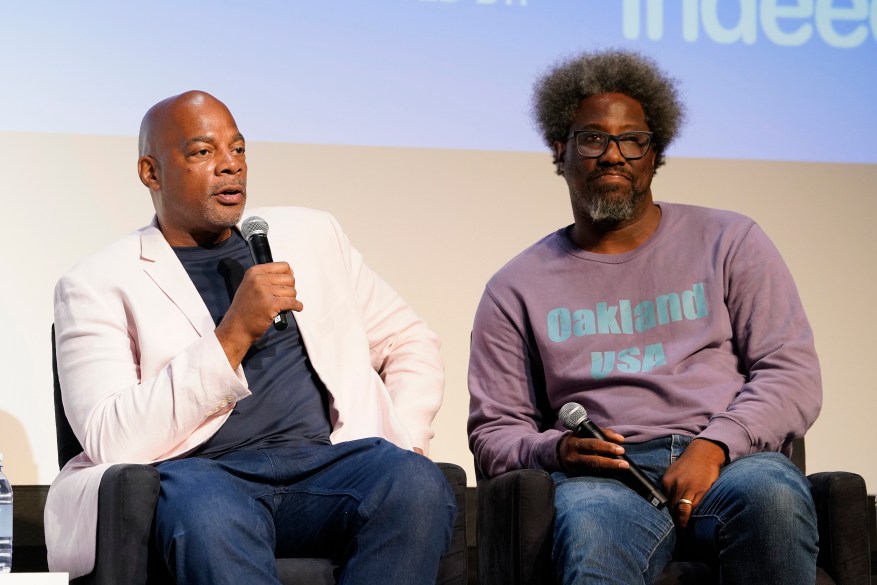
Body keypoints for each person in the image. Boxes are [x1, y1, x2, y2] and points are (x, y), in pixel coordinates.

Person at [47, 90, 456, 585]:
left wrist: (407, 439)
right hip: (205, 475)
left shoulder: (312, 235)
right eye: (203, 152)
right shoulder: (95, 282)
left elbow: (408, 341)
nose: (229, 167)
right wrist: (233, 334)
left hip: (327, 464)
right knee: (208, 513)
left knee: (414, 483)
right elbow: (110, 435)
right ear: (151, 173)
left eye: (237, 150)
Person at [467, 49, 821, 584]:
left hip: (730, 465)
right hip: (604, 482)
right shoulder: (515, 286)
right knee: (591, 536)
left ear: (655, 155)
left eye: (632, 140)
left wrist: (714, 445)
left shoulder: (730, 241)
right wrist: (557, 449)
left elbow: (791, 373)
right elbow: (495, 431)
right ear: (559, 151)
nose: (613, 155)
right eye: (592, 138)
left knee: (772, 496)